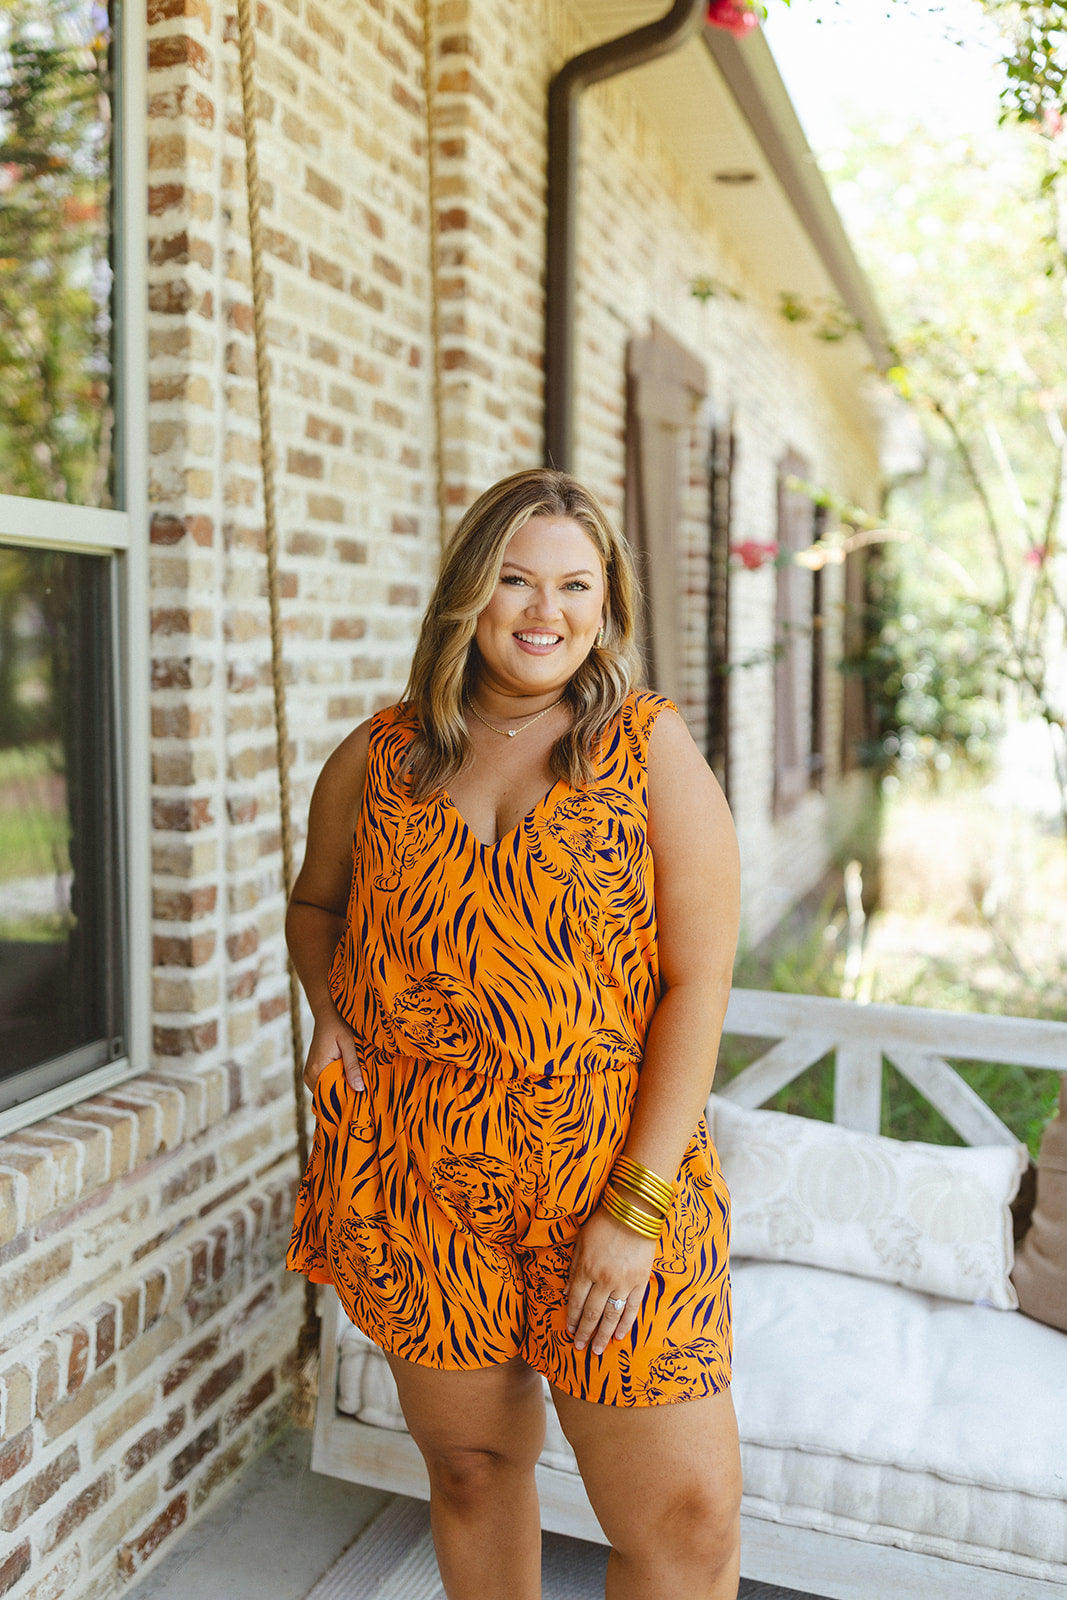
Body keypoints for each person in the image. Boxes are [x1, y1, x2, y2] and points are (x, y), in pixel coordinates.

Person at [285, 467, 742, 1600]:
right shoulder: (379, 756)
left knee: (681, 1521)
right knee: (474, 1471)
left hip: (608, 1177)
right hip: (417, 1177)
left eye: (574, 585)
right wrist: (331, 1010)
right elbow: (315, 906)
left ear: (606, 602)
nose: (546, 612)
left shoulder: (645, 750)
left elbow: (698, 980)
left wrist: (633, 1209)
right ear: (467, 596)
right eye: (515, 581)